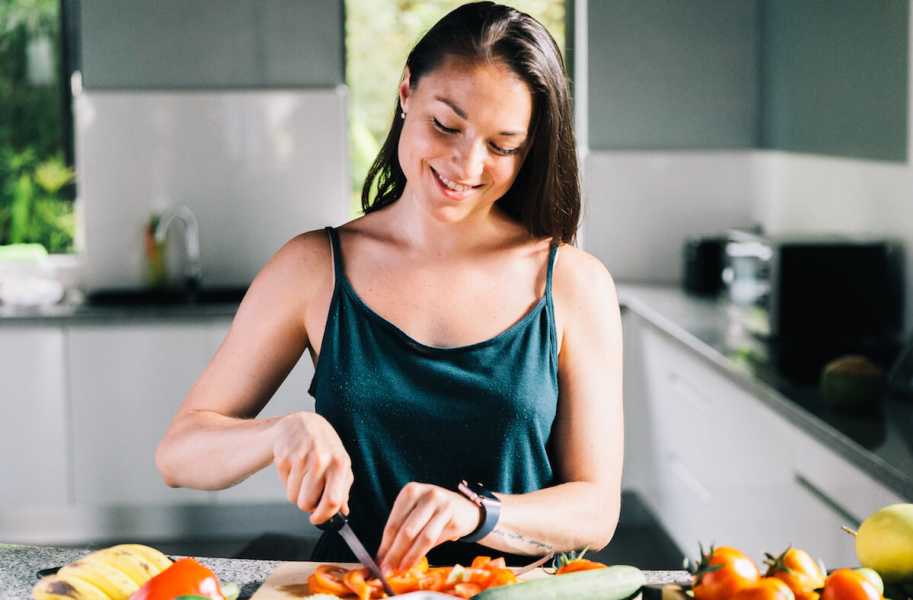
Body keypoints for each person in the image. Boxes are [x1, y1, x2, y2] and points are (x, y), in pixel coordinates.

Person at [155, 1, 623, 573]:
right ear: (406, 92)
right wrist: (282, 432)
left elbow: (596, 511)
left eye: (502, 146)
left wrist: (479, 514)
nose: (465, 163)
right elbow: (179, 454)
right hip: (356, 587)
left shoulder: (573, 283)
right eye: (445, 125)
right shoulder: (313, 267)